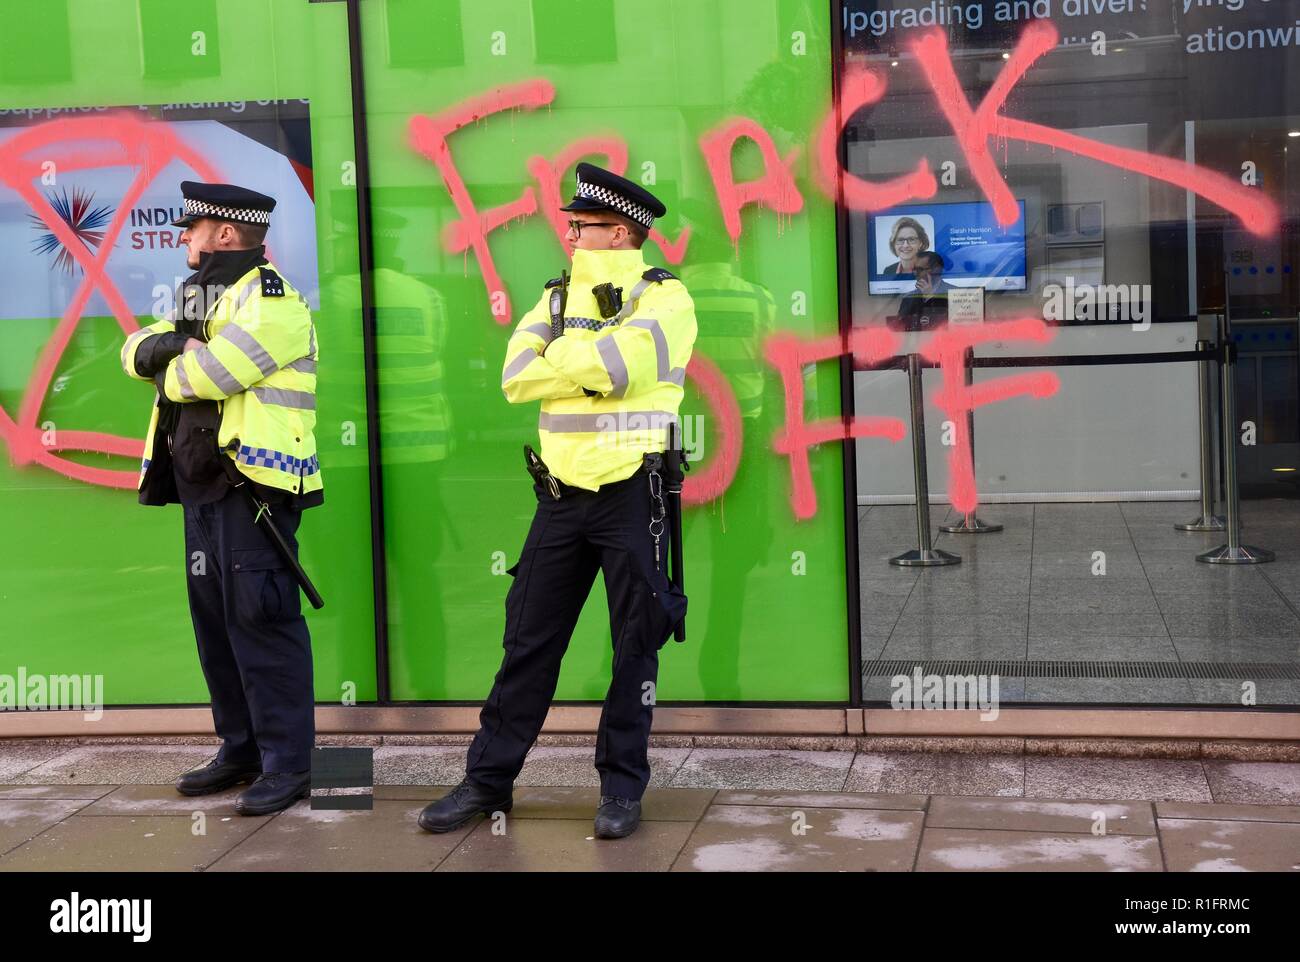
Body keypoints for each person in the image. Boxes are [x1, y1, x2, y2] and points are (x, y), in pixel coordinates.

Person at [418, 163, 696, 840]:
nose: (569, 236)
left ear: (623, 232)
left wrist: (568, 360)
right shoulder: (553, 296)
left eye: (583, 227)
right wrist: (589, 360)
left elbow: (621, 369)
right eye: (572, 225)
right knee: (527, 643)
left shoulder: (668, 300)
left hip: (635, 491)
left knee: (636, 646)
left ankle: (621, 790)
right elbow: (516, 376)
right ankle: (487, 782)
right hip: (561, 497)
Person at [120, 181, 322, 816]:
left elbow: (210, 375)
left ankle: (289, 764)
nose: (183, 237)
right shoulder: (201, 299)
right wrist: (175, 344)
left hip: (253, 490)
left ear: (226, 235)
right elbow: (130, 351)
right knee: (215, 625)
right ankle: (241, 749)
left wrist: (173, 358)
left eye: (193, 228)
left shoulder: (273, 301)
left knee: (263, 621)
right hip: (201, 490)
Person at [896, 249, 952, 330]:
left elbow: (951, 325)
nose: (915, 273)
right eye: (914, 269)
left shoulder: (955, 293)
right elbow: (901, 327)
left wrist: (930, 297)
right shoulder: (908, 298)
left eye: (920, 269)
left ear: (936, 270)